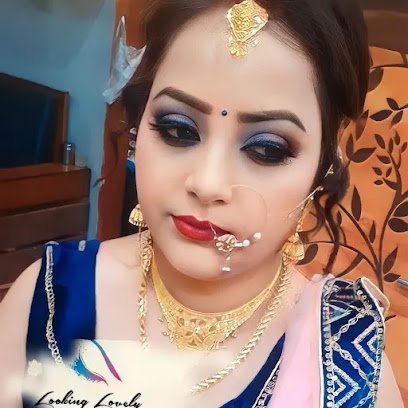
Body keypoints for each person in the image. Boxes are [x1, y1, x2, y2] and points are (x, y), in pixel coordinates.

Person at [0, 0, 404, 407]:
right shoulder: (50, 300)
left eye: (267, 149)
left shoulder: (348, 360)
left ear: (325, 163)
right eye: (177, 130)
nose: (208, 183)